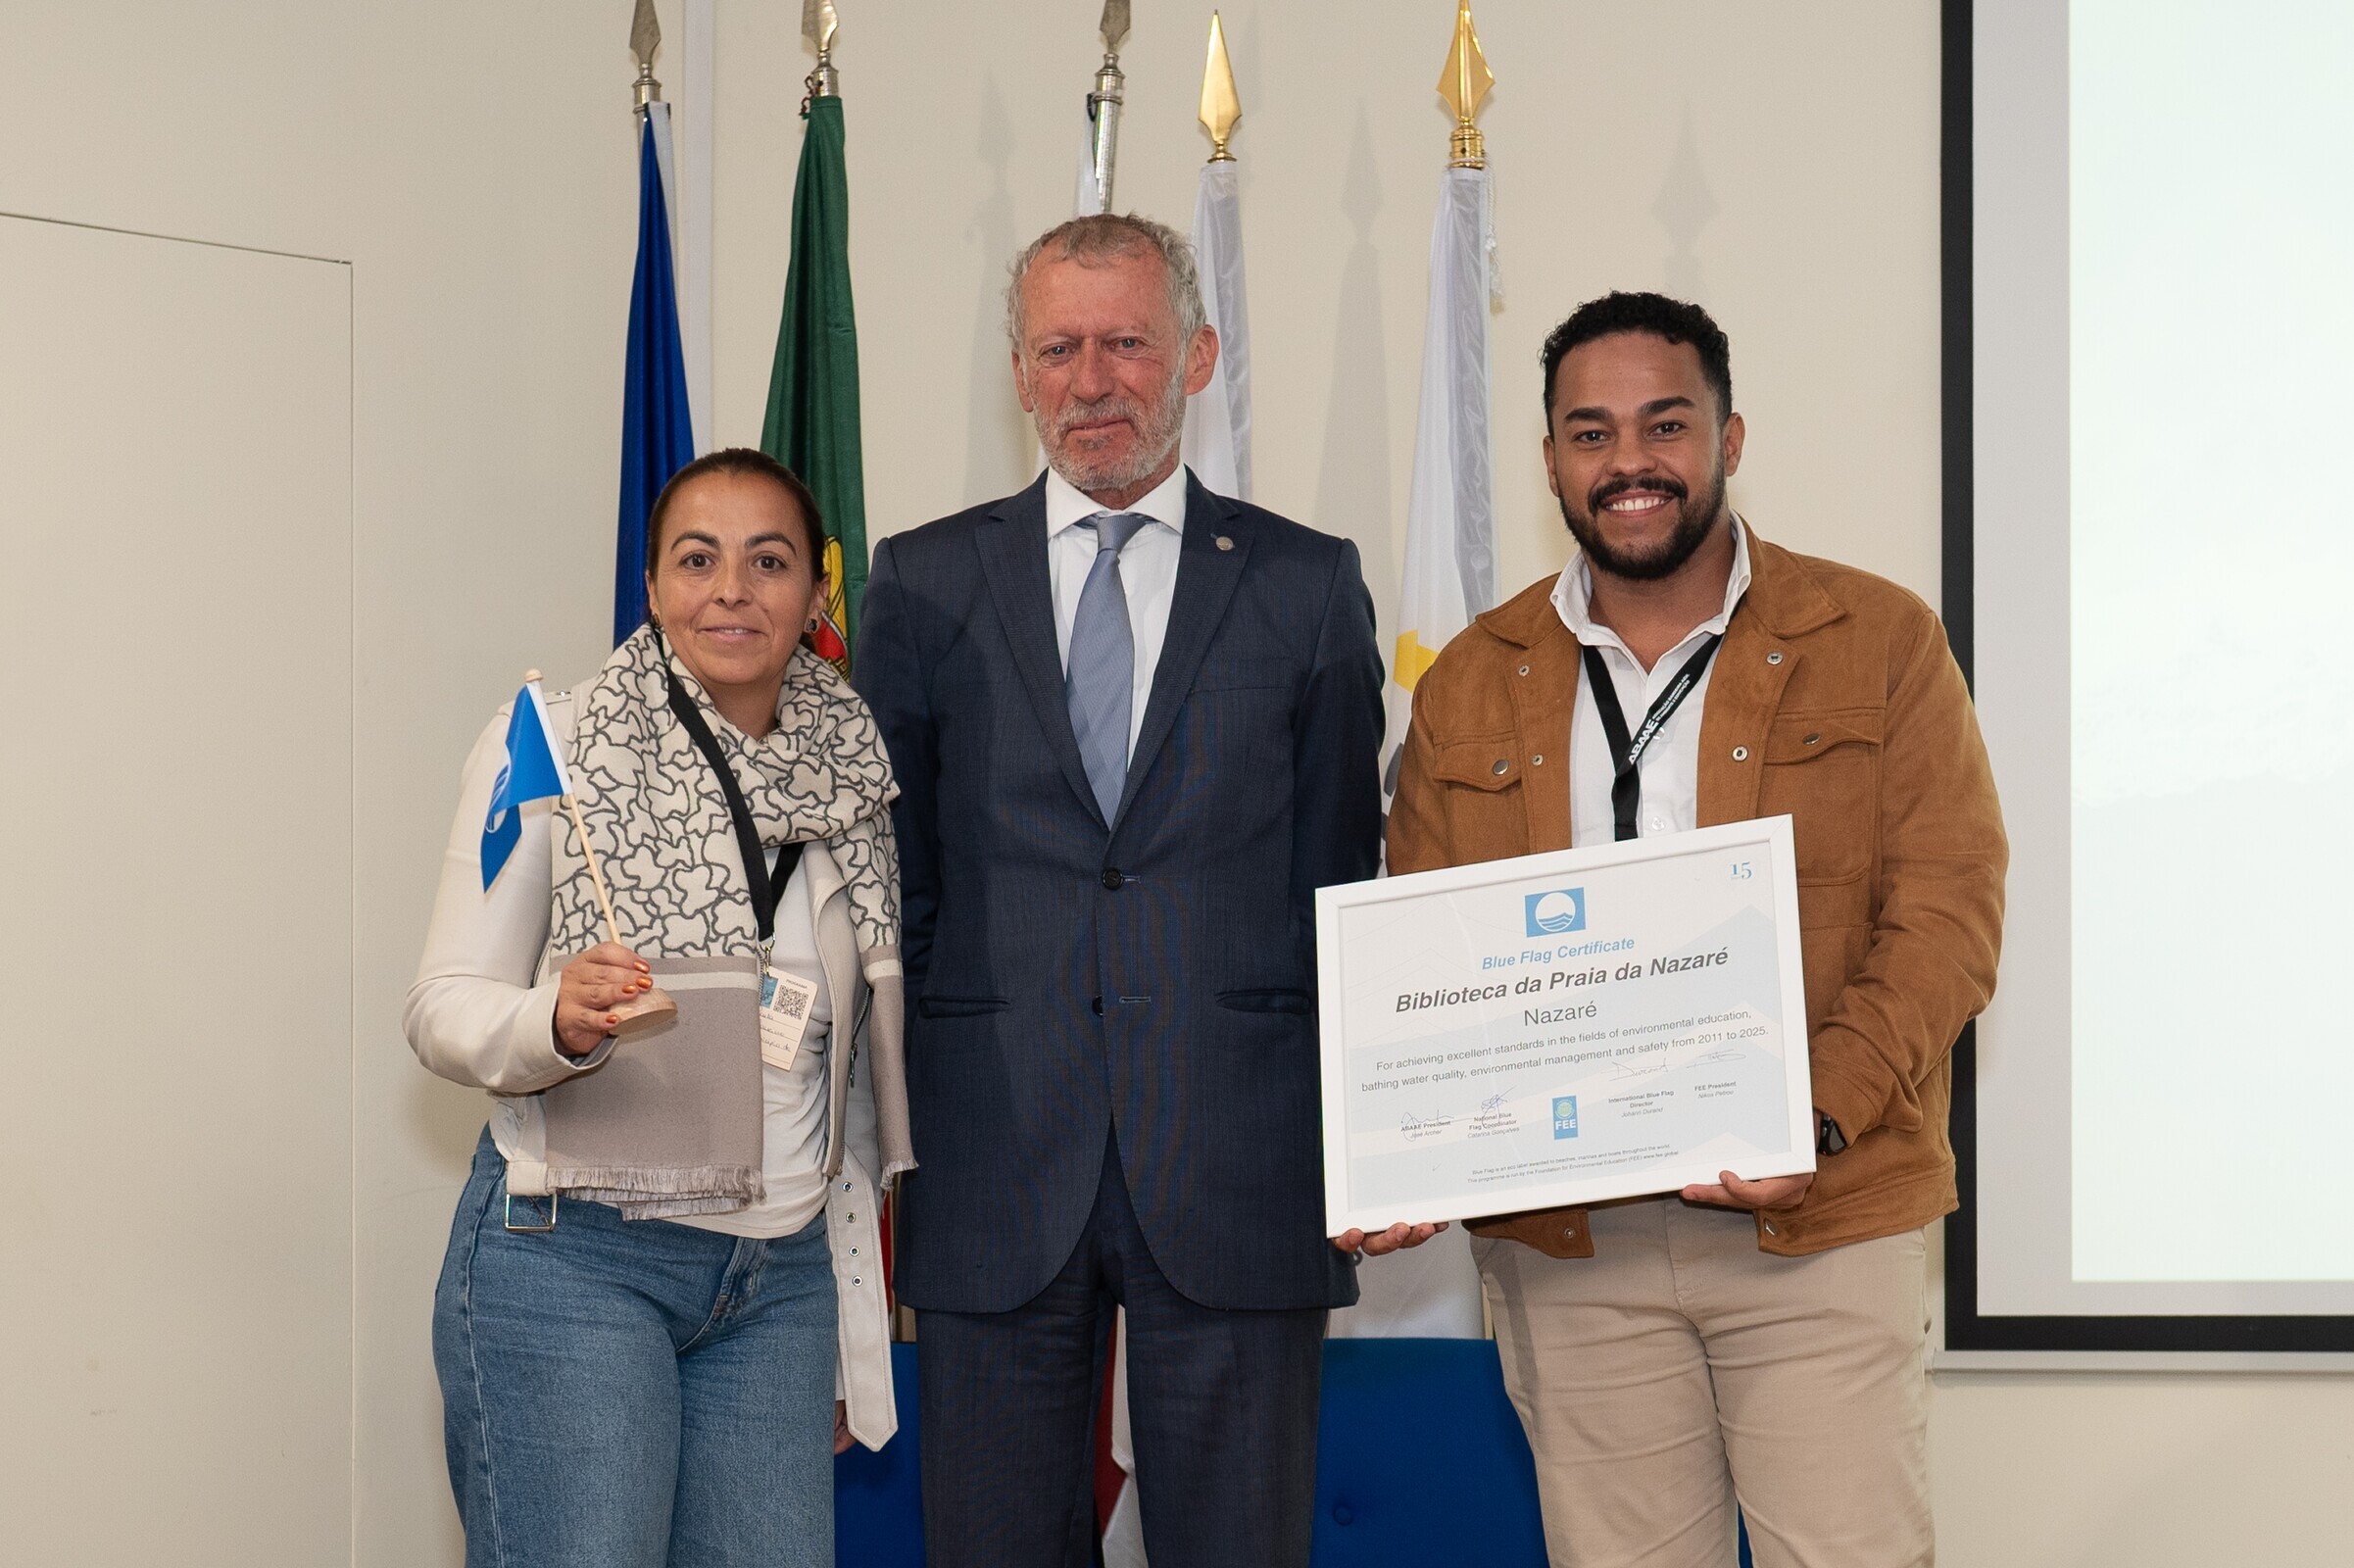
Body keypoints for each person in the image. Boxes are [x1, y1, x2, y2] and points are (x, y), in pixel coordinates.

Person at [1383, 292, 2006, 1568]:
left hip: (1817, 1222)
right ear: (1552, 459)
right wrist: (1411, 1150)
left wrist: (1809, 1112)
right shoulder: (1466, 680)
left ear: (1728, 437)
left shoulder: (1875, 641)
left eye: (1663, 425)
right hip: (1572, 1248)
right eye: (1589, 432)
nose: (1628, 463)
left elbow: (1948, 908)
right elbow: (1424, 952)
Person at [854, 213, 1383, 1568]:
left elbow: (1342, 885)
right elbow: (893, 890)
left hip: (1238, 1153)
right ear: (1020, 377)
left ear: (1196, 357)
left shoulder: (1304, 585)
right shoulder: (919, 583)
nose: (1095, 381)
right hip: (992, 1153)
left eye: (1127, 344)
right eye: (1060, 349)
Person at [406, 448, 912, 1567]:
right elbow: (441, 1008)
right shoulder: (554, 739)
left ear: (816, 593)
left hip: (775, 1288)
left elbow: (849, 1090)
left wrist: (851, 1332)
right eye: (697, 558)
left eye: (767, 560)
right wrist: (552, 1020)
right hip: (575, 1264)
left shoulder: (855, 778)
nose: (731, 588)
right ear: (651, 586)